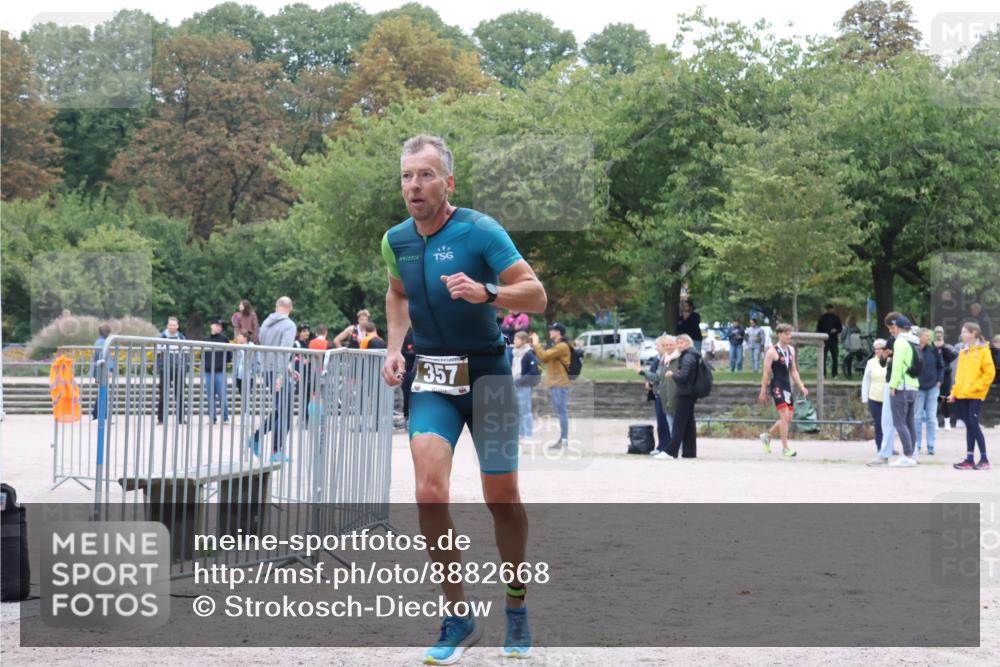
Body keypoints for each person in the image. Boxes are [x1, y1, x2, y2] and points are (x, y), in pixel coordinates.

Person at [379, 135, 546, 663]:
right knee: (428, 492)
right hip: (430, 376)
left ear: (447, 183)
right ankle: (458, 615)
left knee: (503, 500)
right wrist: (394, 347)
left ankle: (515, 609)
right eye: (407, 176)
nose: (414, 185)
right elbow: (398, 291)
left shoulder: (480, 230)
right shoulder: (396, 240)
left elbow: (537, 295)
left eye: (426, 175)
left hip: (489, 376)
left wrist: (488, 292)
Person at [247, 297, 297, 464]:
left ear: (276, 306)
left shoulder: (266, 324)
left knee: (279, 409)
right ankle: (276, 450)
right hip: (277, 372)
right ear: (291, 308)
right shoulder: (289, 325)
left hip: (268, 369)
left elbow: (269, 349)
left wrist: (287, 370)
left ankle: (256, 438)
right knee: (286, 412)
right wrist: (282, 374)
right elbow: (283, 350)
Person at [950, 321, 996, 470]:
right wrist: (954, 392)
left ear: (973, 333)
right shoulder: (963, 350)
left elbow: (989, 373)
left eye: (965, 331)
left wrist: (976, 388)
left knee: (974, 425)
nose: (962, 334)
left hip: (975, 394)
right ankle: (969, 459)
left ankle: (984, 459)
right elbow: (959, 375)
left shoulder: (983, 350)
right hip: (962, 394)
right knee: (969, 426)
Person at [758, 323, 809, 457]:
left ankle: (767, 436)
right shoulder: (772, 351)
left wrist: (801, 386)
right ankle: (785, 448)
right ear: (780, 335)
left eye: (790, 333)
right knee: (785, 416)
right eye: (786, 334)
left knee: (789, 418)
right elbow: (766, 373)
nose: (789, 336)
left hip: (787, 386)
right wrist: (763, 391)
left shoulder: (791, 350)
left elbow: (793, 370)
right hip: (776, 386)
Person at [883, 313, 920, 468]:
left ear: (898, 327)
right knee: (910, 422)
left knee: (899, 422)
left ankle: (907, 455)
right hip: (913, 385)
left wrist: (893, 384)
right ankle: (912, 455)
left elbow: (897, 366)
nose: (892, 330)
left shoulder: (900, 342)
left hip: (901, 386)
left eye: (893, 327)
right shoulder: (914, 342)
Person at [531, 324, 572, 451]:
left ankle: (564, 440)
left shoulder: (562, 346)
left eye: (552, 330)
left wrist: (536, 343)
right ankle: (562, 440)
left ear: (558, 332)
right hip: (557, 383)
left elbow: (544, 356)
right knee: (561, 412)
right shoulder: (559, 346)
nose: (549, 332)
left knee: (562, 413)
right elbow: (545, 358)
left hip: (560, 383)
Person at [660, 334, 699, 458]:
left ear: (688, 343)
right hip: (690, 392)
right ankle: (689, 452)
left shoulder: (687, 357)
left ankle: (671, 452)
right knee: (688, 424)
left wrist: (673, 374)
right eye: (679, 343)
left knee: (678, 424)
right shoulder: (693, 355)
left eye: (682, 343)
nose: (679, 345)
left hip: (684, 393)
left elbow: (684, 377)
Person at [642, 335, 679, 458]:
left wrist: (641, 372)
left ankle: (667, 447)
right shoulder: (660, 359)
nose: (656, 347)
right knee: (662, 422)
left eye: (657, 345)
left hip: (666, 394)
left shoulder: (667, 359)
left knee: (667, 422)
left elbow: (659, 376)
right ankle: (662, 446)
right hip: (659, 392)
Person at [914, 328, 944, 456]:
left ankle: (931, 446)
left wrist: (939, 381)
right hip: (918, 387)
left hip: (933, 387)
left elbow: (941, 366)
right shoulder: (913, 350)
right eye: (926, 336)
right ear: (919, 337)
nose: (929, 338)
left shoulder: (933, 350)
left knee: (932, 417)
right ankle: (917, 445)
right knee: (917, 417)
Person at [155, 316, 188, 425]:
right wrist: (160, 368)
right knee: (163, 394)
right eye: (171, 325)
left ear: (178, 326)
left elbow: (186, 355)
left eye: (175, 325)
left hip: (179, 369)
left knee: (180, 394)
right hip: (165, 369)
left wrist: (184, 368)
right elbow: (158, 354)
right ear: (167, 326)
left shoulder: (182, 338)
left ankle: (181, 418)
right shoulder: (162, 337)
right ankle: (161, 419)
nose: (173, 327)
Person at [510, 331, 540, 442]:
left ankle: (528, 435)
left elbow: (532, 372)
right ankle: (520, 434)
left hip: (524, 386)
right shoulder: (515, 353)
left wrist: (519, 381)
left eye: (516, 339)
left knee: (525, 411)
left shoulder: (528, 354)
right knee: (517, 411)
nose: (514, 341)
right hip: (515, 385)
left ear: (523, 341)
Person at [860, 339, 889, 453]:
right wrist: (864, 397)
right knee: (878, 423)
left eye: (880, 349)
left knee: (888, 424)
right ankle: (880, 447)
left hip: (887, 398)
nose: (877, 351)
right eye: (875, 349)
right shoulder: (871, 362)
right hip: (874, 397)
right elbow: (866, 381)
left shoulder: (889, 361)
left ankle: (888, 446)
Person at [203, 320, 232, 424]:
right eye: (217, 325)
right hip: (208, 371)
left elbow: (229, 355)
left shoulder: (224, 339)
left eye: (220, 326)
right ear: (211, 326)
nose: (219, 328)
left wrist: (222, 363)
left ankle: (225, 417)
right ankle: (212, 417)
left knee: (222, 395)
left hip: (220, 370)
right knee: (210, 396)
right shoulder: (205, 339)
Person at [89, 324, 116, 419]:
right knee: (103, 392)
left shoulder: (100, 342)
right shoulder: (103, 343)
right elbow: (105, 358)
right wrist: (109, 369)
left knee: (102, 392)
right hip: (102, 370)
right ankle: (99, 414)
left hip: (100, 370)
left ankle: (98, 413)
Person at [935, 326, 958, 429]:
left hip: (945, 376)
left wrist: (943, 347)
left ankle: (947, 421)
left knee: (944, 398)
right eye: (936, 333)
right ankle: (934, 421)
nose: (938, 335)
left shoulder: (947, 347)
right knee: (934, 399)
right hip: (933, 376)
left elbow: (952, 357)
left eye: (940, 333)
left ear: (943, 335)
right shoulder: (930, 347)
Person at [233, 331, 257, 414]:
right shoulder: (238, 347)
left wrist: (253, 371)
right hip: (239, 374)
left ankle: (246, 413)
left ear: (245, 338)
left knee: (246, 394)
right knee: (242, 394)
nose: (237, 338)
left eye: (239, 336)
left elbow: (257, 361)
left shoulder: (253, 347)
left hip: (248, 374)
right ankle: (245, 412)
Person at [816, 304, 842, 379]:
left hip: (834, 340)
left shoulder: (836, 318)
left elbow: (840, 328)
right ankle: (823, 374)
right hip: (824, 341)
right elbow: (818, 329)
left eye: (831, 309)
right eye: (828, 309)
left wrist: (836, 330)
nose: (829, 310)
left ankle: (835, 374)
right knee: (823, 358)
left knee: (835, 358)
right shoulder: (822, 318)